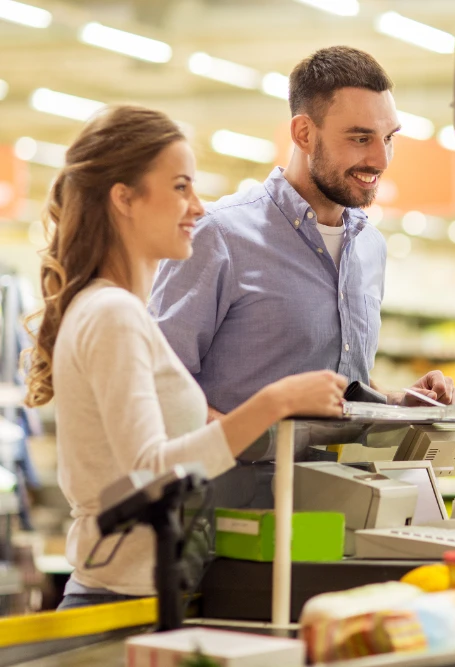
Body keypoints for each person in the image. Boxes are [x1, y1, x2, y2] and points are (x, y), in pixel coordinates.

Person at [22, 106, 348, 610]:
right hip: (121, 603)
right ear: (124, 198)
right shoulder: (112, 313)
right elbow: (149, 475)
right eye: (180, 187)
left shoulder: (114, 310)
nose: (198, 206)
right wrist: (274, 403)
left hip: (143, 594)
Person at [149, 46, 455, 425]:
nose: (381, 160)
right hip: (238, 483)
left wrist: (396, 401)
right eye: (361, 139)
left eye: (388, 137)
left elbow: (346, 381)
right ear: (304, 133)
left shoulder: (369, 246)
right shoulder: (219, 235)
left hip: (344, 482)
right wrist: (249, 446)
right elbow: (160, 386)